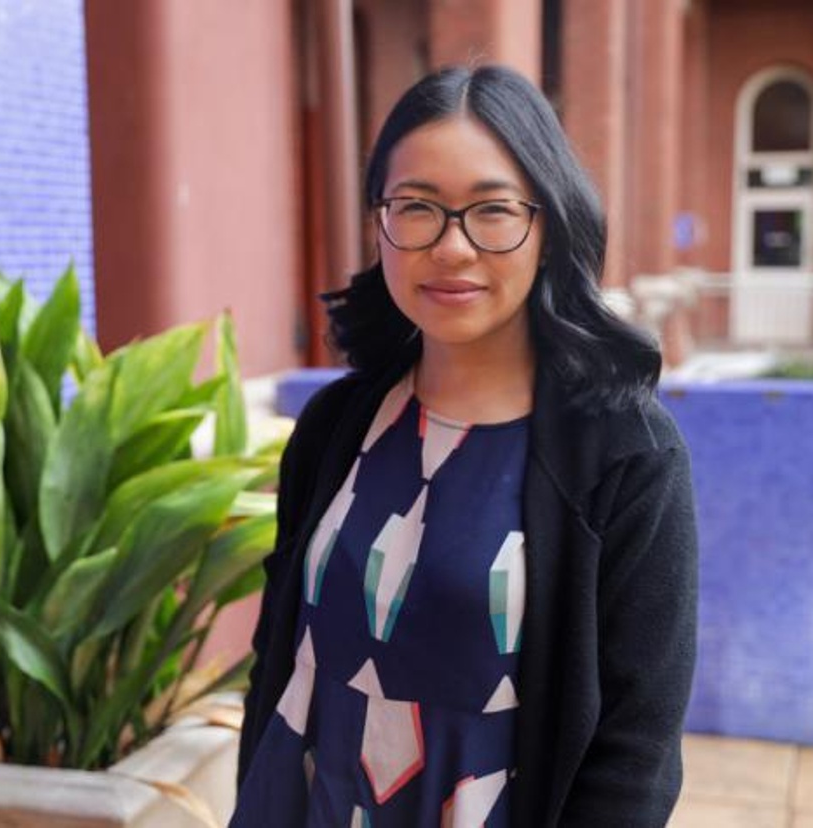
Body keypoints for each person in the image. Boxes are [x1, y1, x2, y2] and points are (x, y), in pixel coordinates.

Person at [231, 64, 698, 827]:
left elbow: (635, 753)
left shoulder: (628, 455)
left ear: (549, 226)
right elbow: (280, 660)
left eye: (492, 210)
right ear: (379, 220)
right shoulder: (336, 426)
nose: (452, 248)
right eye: (416, 207)